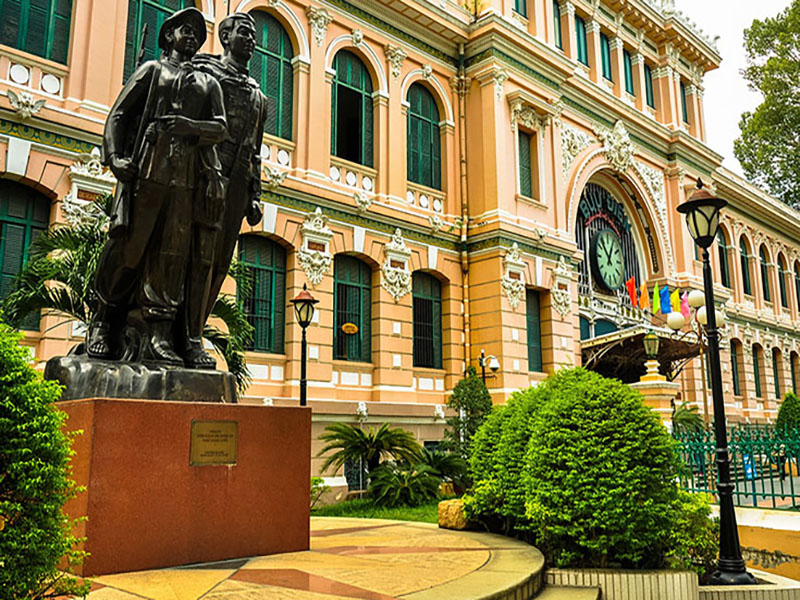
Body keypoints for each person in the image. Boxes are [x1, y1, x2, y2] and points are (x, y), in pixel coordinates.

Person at [87, 7, 227, 366]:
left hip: (185, 182)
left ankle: (159, 335)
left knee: (172, 257)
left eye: (198, 31)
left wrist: (188, 126)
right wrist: (115, 157)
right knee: (129, 249)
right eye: (185, 29)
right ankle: (103, 319)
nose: (193, 35)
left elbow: (220, 129)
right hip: (147, 172)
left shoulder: (207, 84)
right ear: (168, 36)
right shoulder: (153, 71)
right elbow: (119, 114)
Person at [191, 13, 267, 330]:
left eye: (253, 36)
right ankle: (178, 330)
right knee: (195, 253)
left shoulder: (258, 95)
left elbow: (255, 149)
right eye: (244, 33)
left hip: (236, 182)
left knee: (221, 262)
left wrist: (255, 194)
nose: (251, 40)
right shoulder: (205, 72)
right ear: (225, 37)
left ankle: (194, 329)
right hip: (202, 172)